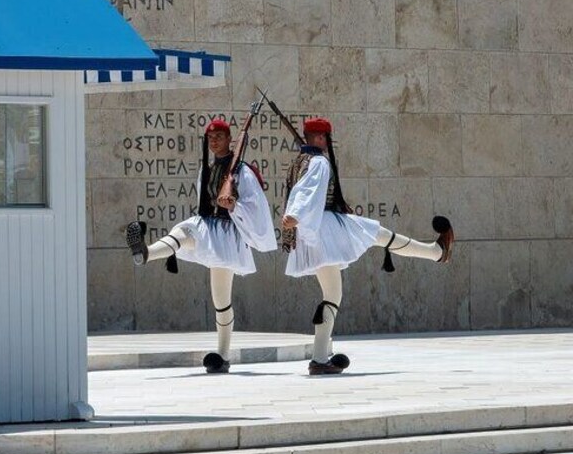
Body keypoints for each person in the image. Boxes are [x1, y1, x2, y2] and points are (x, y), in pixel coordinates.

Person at [282, 117, 454, 375]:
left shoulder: (299, 162)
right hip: (322, 228)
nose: (326, 144)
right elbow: (308, 192)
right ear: (321, 138)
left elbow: (299, 191)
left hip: (310, 233)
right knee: (378, 233)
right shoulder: (318, 161)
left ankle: (319, 359)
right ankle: (435, 252)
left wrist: (295, 218)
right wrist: (295, 214)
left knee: (333, 294)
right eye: (325, 139)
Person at [127, 119, 277, 373]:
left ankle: (222, 354)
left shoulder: (241, 170)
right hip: (208, 228)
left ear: (230, 139)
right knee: (185, 230)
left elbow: (256, 206)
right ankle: (146, 253)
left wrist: (234, 205)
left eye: (219, 136)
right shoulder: (207, 169)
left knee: (221, 300)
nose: (214, 141)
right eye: (210, 137)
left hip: (228, 235)